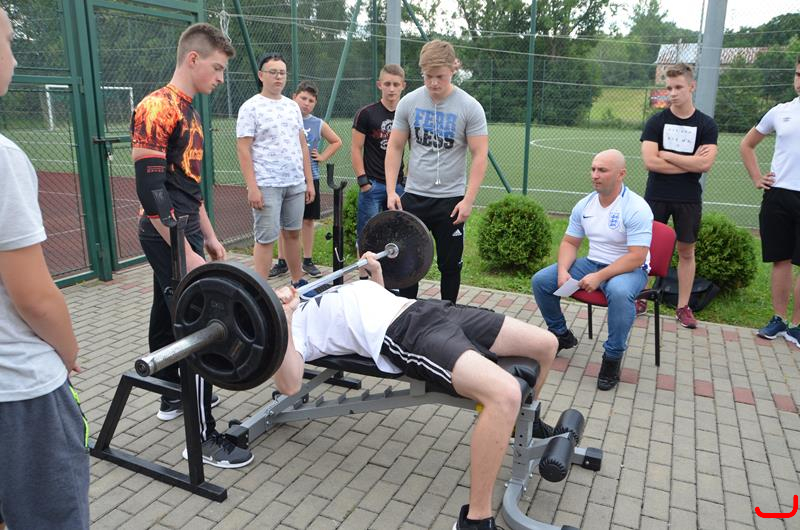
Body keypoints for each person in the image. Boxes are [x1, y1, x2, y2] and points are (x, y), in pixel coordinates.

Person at [272, 253, 557, 530]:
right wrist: (285, 317)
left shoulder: (309, 296)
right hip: (406, 331)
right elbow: (289, 384)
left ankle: (523, 425)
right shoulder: (290, 329)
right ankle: (475, 520)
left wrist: (376, 274)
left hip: (429, 309)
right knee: (505, 394)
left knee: (546, 344)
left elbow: (374, 302)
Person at [131, 23, 253, 468]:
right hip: (165, 233)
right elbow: (152, 194)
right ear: (193, 59)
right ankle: (201, 439)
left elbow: (188, 189)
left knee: (167, 306)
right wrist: (185, 251)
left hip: (185, 230)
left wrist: (211, 237)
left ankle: (171, 395)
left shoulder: (191, 112)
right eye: (217, 68)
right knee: (198, 321)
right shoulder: (157, 107)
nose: (220, 78)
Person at [0, 7, 89, 528]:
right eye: (9, 42)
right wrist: (68, 351)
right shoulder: (4, 158)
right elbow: (34, 298)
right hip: (19, 393)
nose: (14, 58)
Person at [531, 150, 653, 391]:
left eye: (602, 170)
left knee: (619, 292)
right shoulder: (585, 204)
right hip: (592, 262)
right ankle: (561, 334)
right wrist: (563, 270)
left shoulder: (636, 207)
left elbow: (637, 257)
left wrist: (599, 277)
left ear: (621, 174)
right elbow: (569, 243)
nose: (595, 175)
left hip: (629, 269)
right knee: (542, 281)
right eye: (593, 169)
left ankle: (612, 358)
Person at [384, 40, 488, 303]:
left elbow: (479, 155)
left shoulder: (470, 106)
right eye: (427, 76)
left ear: (454, 68)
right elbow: (395, 147)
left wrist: (468, 200)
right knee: (408, 261)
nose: (433, 82)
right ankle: (407, 314)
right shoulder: (409, 102)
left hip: (451, 201)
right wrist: (391, 191)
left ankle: (447, 314)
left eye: (439, 76)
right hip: (414, 196)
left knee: (450, 266)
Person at [640, 63, 718, 329]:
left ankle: (683, 307)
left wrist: (668, 155)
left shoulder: (706, 125)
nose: (672, 93)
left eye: (678, 87)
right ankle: (641, 297)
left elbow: (705, 164)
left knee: (686, 251)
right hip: (656, 194)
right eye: (669, 88)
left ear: (691, 87)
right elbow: (650, 162)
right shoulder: (656, 122)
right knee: (647, 249)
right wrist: (689, 162)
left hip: (688, 198)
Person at [237, 53, 315, 288]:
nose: (278, 77)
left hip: (295, 183)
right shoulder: (250, 107)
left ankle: (297, 281)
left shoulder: (292, 107)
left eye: (282, 72)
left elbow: (302, 145)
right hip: (266, 184)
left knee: (293, 233)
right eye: (273, 72)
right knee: (266, 239)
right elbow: (243, 149)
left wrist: (308, 182)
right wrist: (252, 187)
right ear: (261, 75)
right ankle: (259, 291)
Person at [740, 56, 800, 344]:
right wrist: (756, 178)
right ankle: (778, 319)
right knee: (781, 260)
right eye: (798, 74)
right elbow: (747, 144)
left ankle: (797, 326)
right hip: (778, 196)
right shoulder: (780, 111)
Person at [271, 81, 342, 278]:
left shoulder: (317, 123)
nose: (306, 103)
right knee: (284, 222)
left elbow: (336, 141)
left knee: (307, 220)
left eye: (311, 100)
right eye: (303, 98)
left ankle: (308, 260)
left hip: (311, 178)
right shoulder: (283, 118)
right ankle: (282, 261)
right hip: (287, 177)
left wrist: (322, 156)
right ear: (294, 97)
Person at [352, 64, 407, 240]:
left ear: (403, 86)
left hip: (398, 186)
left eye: (396, 84)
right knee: (368, 237)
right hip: (373, 185)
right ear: (379, 84)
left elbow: (415, 149)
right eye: (387, 84)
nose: (391, 89)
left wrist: (407, 180)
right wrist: (363, 182)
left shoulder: (406, 115)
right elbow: (356, 148)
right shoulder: (366, 113)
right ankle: (365, 262)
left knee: (398, 237)